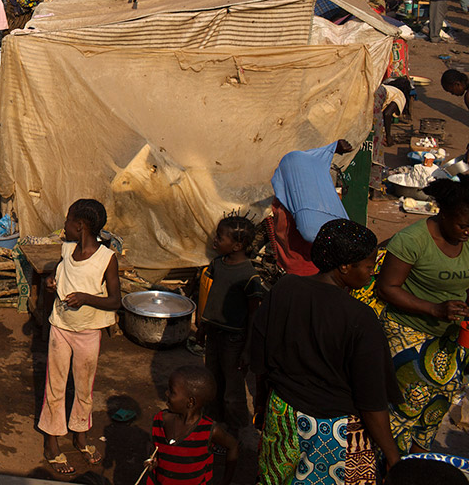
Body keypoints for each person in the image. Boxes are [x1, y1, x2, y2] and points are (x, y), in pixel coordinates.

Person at [252, 219, 402, 483]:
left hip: (282, 413)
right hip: (334, 432)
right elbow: (371, 401)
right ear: (345, 267)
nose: (372, 273)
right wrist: (392, 456)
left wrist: (263, 405)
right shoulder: (360, 319)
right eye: (369, 266)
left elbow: (261, 357)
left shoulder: (285, 289)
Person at [375, 178, 469, 455]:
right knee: (403, 410)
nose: (467, 232)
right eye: (462, 225)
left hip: (450, 339)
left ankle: (418, 464)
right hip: (408, 335)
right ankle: (390, 464)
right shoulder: (412, 240)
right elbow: (387, 288)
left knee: (435, 409)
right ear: (443, 213)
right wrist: (435, 309)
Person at [39, 198, 120, 476]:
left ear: (81, 226)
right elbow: (56, 275)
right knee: (56, 386)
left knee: (84, 388)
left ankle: (80, 435)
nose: (64, 225)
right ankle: (52, 442)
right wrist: (50, 282)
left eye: (68, 221)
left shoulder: (106, 259)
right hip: (60, 327)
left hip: (88, 333)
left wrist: (86, 298)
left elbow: (114, 301)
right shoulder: (67, 249)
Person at [195, 212, 265, 429]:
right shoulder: (217, 264)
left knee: (232, 388)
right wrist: (203, 326)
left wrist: (247, 349)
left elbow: (254, 314)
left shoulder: (249, 277)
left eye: (220, 237)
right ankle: (214, 424)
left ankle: (235, 431)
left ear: (237, 245)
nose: (215, 240)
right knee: (213, 380)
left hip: (235, 340)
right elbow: (213, 296)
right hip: (215, 334)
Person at [267, 139, 355, 275]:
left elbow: (299, 161)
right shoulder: (310, 205)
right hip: (307, 268)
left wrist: (332, 149)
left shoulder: (284, 199)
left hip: (293, 266)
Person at [148, 365, 239, 485]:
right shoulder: (160, 420)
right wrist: (153, 461)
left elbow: (233, 446)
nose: (166, 393)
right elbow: (155, 449)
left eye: (172, 391)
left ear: (190, 402)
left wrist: (226, 481)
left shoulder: (209, 430)